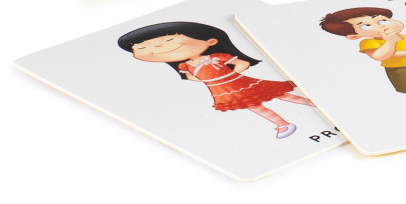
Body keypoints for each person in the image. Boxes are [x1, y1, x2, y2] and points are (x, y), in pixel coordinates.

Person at [118, 21, 315, 139]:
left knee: (282, 95)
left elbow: (241, 63)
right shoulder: (185, 65)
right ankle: (283, 124)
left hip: (239, 82)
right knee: (253, 106)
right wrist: (209, 81)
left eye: (168, 40)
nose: (157, 48)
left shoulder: (216, 56)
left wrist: (230, 74)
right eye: (142, 48)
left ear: (210, 41)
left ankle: (315, 104)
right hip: (221, 90)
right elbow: (193, 77)